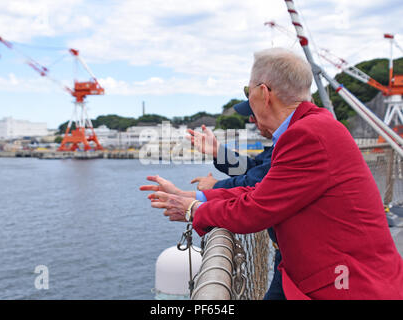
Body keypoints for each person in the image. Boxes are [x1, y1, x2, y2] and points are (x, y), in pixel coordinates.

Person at [141, 48, 403, 299]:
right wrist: (192, 196)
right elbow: (263, 188)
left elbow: (256, 207)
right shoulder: (312, 127)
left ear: (264, 93)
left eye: (248, 90)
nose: (249, 101)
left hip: (346, 286)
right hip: (318, 275)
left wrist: (193, 209)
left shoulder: (307, 134)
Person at [187, 121, 284, 300]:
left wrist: (213, 188)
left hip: (295, 257)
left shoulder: (294, 138)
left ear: (267, 96)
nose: (252, 120)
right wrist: (219, 153)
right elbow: (256, 169)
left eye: (253, 111)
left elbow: (257, 182)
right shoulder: (285, 139)